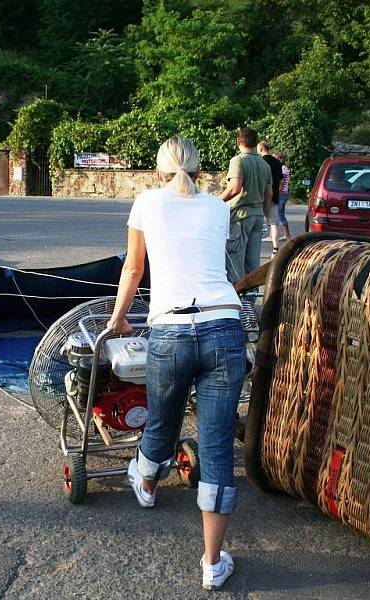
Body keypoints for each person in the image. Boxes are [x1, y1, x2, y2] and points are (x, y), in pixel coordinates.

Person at [107, 136, 245, 591]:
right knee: (217, 445)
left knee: (163, 423)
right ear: (199, 168)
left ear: (159, 170)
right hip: (224, 327)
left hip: (170, 329)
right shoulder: (217, 208)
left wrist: (119, 319)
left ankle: (145, 482)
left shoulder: (146, 202)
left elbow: (134, 268)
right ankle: (212, 563)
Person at [219, 127, 272, 283]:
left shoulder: (238, 160)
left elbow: (235, 188)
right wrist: (263, 212)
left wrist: (215, 201)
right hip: (257, 216)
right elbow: (269, 194)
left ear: (238, 141)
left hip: (240, 216)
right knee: (253, 262)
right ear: (256, 143)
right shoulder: (264, 164)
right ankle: (251, 300)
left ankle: (237, 298)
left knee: (235, 261)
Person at [257, 142, 284, 255]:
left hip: (260, 196)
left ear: (261, 149)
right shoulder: (277, 162)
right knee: (274, 224)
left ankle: (255, 249)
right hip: (274, 196)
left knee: (257, 223)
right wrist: (277, 190)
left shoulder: (260, 162)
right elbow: (281, 180)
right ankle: (275, 249)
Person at [273, 151, 291, 240]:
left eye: (276, 159)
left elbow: (282, 182)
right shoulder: (284, 167)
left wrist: (277, 191)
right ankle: (285, 234)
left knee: (279, 214)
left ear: (281, 159)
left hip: (281, 194)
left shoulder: (283, 168)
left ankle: (286, 234)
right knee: (280, 214)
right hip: (284, 193)